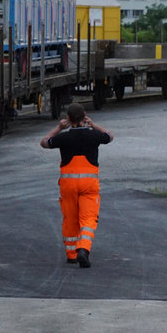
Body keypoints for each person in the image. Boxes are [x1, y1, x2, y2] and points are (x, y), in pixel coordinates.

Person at [39, 102, 114, 268]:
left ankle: (72, 254)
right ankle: (83, 249)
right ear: (85, 115)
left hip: (68, 185)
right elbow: (109, 136)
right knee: (88, 219)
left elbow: (44, 142)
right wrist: (94, 125)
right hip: (89, 184)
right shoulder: (93, 135)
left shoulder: (64, 137)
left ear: (68, 119)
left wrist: (59, 128)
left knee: (70, 219)